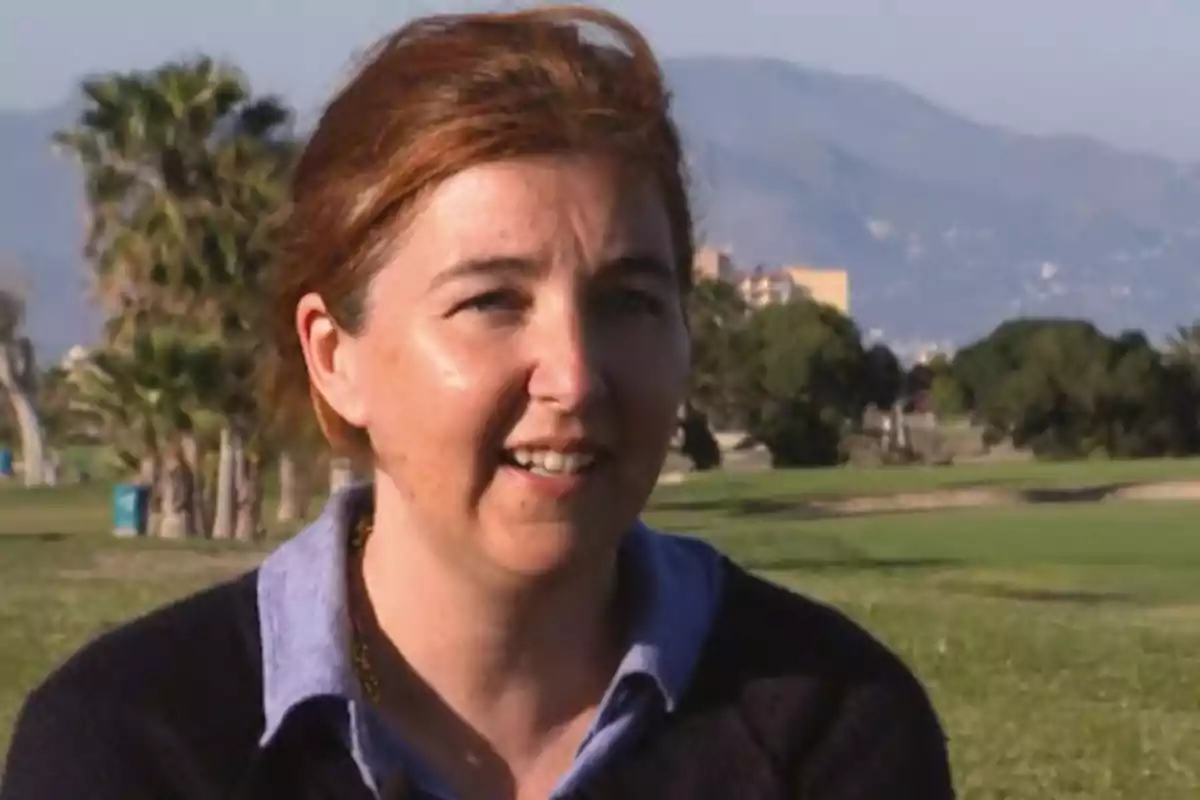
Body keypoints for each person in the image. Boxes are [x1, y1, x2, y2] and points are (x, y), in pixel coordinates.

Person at [0, 6, 954, 799]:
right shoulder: (138, 747)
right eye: (492, 301)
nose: (573, 375)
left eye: (628, 302)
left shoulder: (827, 727)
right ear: (337, 359)